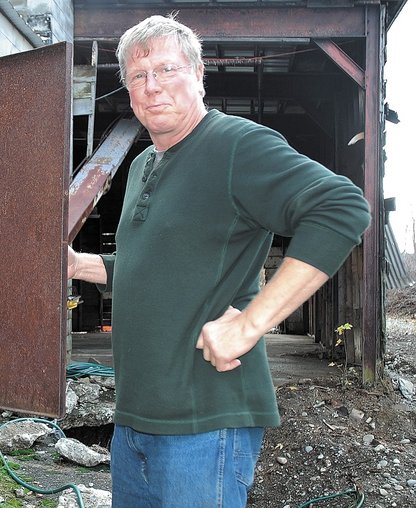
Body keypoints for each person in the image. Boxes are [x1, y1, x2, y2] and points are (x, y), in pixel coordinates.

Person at [67, 13, 371, 507]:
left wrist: (252, 323)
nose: (152, 87)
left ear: (198, 74)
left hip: (205, 425)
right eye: (139, 76)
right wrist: (79, 264)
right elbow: (152, 269)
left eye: (167, 70)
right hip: (134, 423)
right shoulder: (144, 163)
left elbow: (342, 207)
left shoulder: (237, 145)